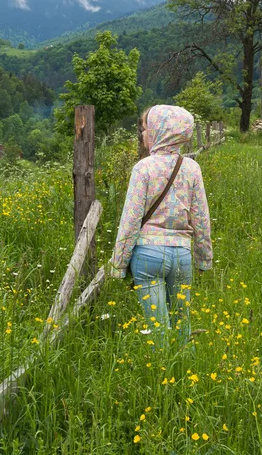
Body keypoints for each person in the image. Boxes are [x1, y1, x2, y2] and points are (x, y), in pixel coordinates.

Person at [108, 105, 213, 343]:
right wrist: (203, 259)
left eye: (145, 129)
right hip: (182, 256)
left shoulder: (143, 168)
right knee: (182, 324)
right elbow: (201, 219)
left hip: (148, 256)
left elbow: (130, 220)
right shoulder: (192, 169)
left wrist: (119, 264)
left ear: (159, 131)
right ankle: (187, 372)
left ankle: (162, 375)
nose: (143, 134)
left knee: (158, 329)